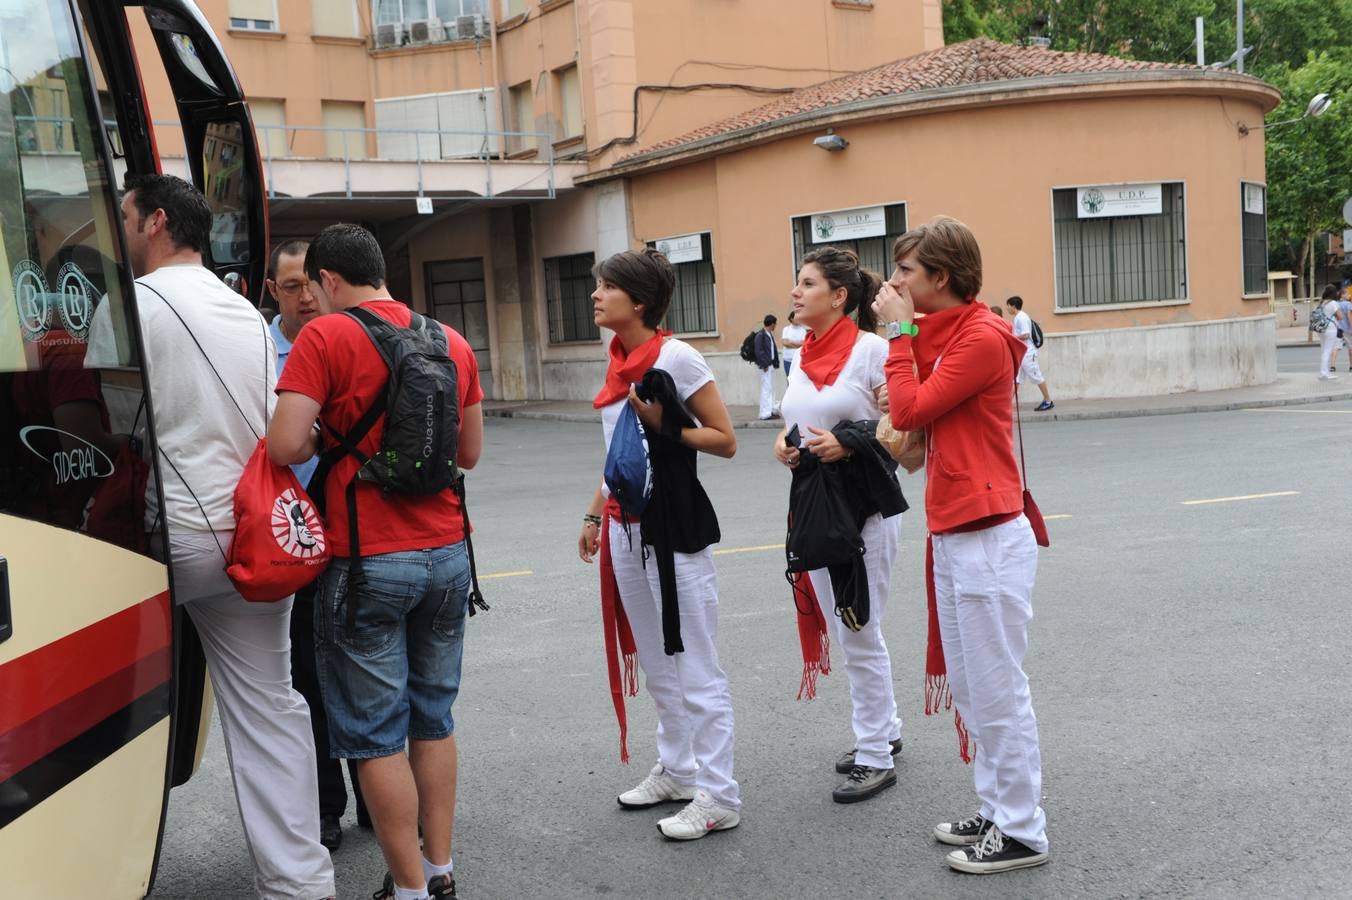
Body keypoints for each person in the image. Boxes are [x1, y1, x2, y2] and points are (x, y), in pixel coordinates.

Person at [85, 174, 336, 899]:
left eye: (127, 217)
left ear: (156, 221)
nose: (123, 231)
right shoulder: (244, 311)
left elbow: (106, 428)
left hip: (166, 537)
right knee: (270, 705)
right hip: (253, 539)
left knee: (96, 704)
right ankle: (300, 882)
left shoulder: (130, 305)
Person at [268, 224, 483, 900]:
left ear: (329, 279)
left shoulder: (324, 338)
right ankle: (440, 868)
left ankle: (409, 887)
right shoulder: (449, 340)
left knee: (375, 734)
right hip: (449, 555)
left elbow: (283, 446)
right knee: (434, 718)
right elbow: (468, 454)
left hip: (366, 560)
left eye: (313, 286)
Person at [874, 216, 1050, 875]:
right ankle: (999, 807)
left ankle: (1024, 831)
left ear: (940, 279)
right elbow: (914, 387)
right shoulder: (946, 334)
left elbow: (912, 408)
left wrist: (895, 332)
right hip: (955, 532)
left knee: (998, 689)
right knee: (974, 690)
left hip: (986, 536)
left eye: (905, 274)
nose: (893, 285)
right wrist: (905, 335)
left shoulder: (982, 337)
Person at [577, 248, 742, 841]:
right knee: (655, 660)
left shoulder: (677, 357)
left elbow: (725, 440)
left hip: (674, 528)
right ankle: (678, 769)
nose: (595, 294)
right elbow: (620, 454)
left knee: (696, 663)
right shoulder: (617, 356)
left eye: (607, 286)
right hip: (626, 526)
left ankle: (720, 794)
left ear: (639, 302)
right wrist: (596, 514)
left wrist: (666, 426)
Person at [773, 246, 905, 803]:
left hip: (863, 510)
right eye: (797, 283)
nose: (796, 292)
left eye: (807, 283)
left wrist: (845, 442)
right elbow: (795, 419)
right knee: (854, 627)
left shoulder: (873, 349)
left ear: (840, 296)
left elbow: (902, 423)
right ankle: (886, 731)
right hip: (818, 506)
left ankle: (874, 754)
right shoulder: (803, 353)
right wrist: (786, 444)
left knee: (857, 629)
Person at [265, 239, 369, 852]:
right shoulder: (261, 351)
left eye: (311, 283)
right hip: (293, 544)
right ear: (272, 291)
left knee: (362, 675)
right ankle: (326, 806)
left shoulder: (355, 341)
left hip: (356, 539)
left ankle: (376, 796)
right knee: (306, 680)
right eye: (290, 286)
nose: (305, 297)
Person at [1005, 296, 1052, 411]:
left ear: (1013, 306)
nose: (1007, 308)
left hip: (1028, 354)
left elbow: (1026, 335)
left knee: (1036, 376)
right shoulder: (1018, 317)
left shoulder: (1021, 317)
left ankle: (1048, 400)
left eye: (1008, 306)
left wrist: (1012, 338)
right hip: (1021, 354)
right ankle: (1006, 405)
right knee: (1016, 379)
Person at [755, 313, 780, 419]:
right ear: (771, 324)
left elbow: (772, 350)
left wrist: (775, 363)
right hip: (765, 366)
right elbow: (759, 351)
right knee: (766, 389)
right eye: (775, 324)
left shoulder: (768, 334)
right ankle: (765, 413)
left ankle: (771, 410)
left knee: (771, 388)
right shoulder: (761, 335)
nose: (776, 326)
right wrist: (764, 364)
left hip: (770, 366)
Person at [1316, 283, 1341, 380]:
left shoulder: (1322, 302)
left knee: (1324, 350)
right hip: (1330, 329)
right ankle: (1324, 373)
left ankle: (1324, 372)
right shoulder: (1333, 303)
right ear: (1334, 293)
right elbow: (1340, 317)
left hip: (1321, 329)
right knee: (1327, 351)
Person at [780, 309, 807, 377]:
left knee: (797, 380)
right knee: (789, 379)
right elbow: (785, 343)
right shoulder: (786, 329)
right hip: (787, 359)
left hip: (798, 359)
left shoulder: (803, 330)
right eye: (796, 317)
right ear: (791, 318)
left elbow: (803, 344)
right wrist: (798, 344)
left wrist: (791, 342)